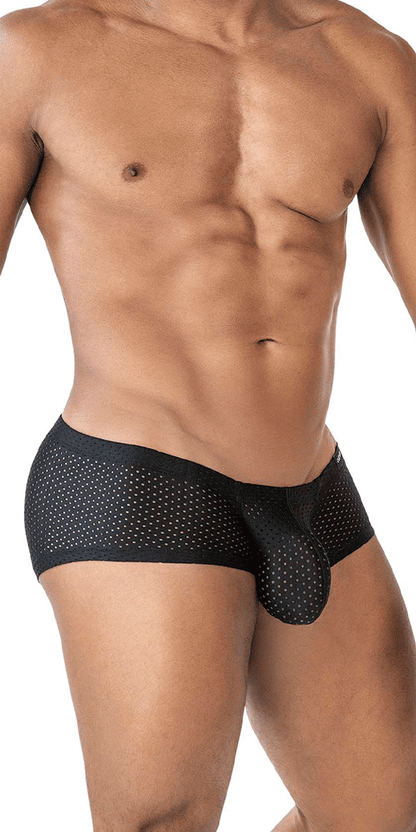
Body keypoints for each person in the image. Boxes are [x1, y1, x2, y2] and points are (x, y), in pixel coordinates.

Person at [1, 0, 416, 829]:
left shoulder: (368, 59)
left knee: (388, 811)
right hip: (136, 481)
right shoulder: (35, 53)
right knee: (165, 818)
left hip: (313, 490)